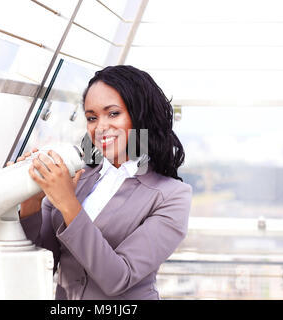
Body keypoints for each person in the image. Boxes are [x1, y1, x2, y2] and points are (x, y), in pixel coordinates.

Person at [14, 65, 192, 300]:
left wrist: (67, 202)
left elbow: (119, 278)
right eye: (92, 117)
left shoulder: (172, 195)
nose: (101, 127)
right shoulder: (75, 176)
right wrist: (31, 201)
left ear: (141, 115)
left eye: (113, 113)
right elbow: (40, 262)